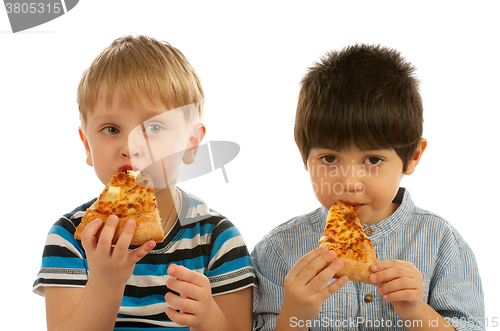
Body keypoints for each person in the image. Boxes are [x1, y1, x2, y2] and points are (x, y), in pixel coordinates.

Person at [251, 44, 485, 331]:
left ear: (412, 158)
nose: (349, 182)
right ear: (304, 157)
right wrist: (294, 315)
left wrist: (416, 311)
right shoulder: (277, 251)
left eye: (372, 159)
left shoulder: (442, 245)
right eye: (329, 158)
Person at [32, 35, 256, 331]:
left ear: (190, 144)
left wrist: (207, 317)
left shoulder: (217, 240)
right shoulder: (71, 239)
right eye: (111, 128)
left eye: (153, 127)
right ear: (87, 145)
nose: (130, 146)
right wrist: (105, 283)